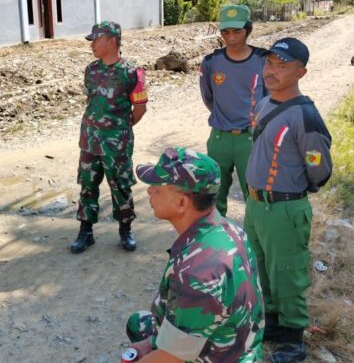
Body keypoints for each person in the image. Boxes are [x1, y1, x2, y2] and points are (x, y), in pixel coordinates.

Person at [125, 147, 264, 362]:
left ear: (182, 203)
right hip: (240, 348)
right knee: (140, 323)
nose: (149, 191)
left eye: (158, 188)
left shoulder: (196, 272)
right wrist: (149, 345)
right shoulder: (231, 231)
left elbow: (171, 359)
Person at [245, 37, 332, 363]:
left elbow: (318, 167)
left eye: (283, 66)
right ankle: (274, 325)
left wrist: (291, 190)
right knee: (261, 269)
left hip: (283, 208)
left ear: (301, 72)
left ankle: (294, 340)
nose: (272, 71)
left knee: (287, 271)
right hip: (256, 206)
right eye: (270, 63)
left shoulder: (304, 116)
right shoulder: (265, 103)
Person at [70, 21, 148, 254]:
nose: (92, 45)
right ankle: (86, 231)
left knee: (121, 186)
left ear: (112, 41)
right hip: (90, 141)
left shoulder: (132, 73)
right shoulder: (91, 70)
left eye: (96, 40)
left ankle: (125, 230)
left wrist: (120, 127)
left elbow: (140, 108)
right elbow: (91, 100)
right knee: (87, 186)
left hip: (117, 143)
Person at [200, 5, 267, 217]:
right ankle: (219, 242)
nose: (231, 37)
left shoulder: (263, 60)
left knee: (256, 196)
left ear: (248, 30)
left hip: (252, 139)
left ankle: (255, 244)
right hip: (219, 138)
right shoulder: (212, 62)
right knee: (214, 194)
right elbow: (208, 97)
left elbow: (272, 96)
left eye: (237, 31)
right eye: (225, 32)